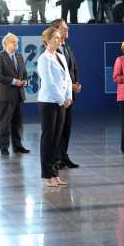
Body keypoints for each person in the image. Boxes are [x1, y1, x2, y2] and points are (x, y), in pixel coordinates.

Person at [37, 27, 72, 187]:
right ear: (47, 40)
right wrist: (61, 99)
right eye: (55, 38)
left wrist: (69, 96)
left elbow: (68, 78)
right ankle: (46, 174)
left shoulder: (60, 56)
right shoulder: (44, 59)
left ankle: (54, 173)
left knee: (57, 139)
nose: (59, 40)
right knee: (48, 139)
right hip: (49, 102)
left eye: (59, 38)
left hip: (62, 101)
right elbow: (49, 82)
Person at [50, 19, 81, 169]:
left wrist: (76, 84)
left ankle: (63, 156)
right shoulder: (51, 50)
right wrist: (68, 86)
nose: (67, 30)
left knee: (66, 127)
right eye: (64, 28)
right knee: (57, 129)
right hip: (57, 97)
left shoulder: (67, 48)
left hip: (69, 96)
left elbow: (73, 69)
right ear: (56, 29)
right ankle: (54, 158)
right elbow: (53, 77)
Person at [0, 33, 30, 156]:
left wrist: (25, 81)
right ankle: (4, 147)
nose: (16, 44)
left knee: (17, 122)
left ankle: (17, 146)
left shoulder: (19, 57)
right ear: (6, 44)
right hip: (6, 96)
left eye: (17, 42)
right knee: (6, 122)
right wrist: (14, 81)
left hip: (19, 95)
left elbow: (24, 73)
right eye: (13, 42)